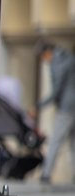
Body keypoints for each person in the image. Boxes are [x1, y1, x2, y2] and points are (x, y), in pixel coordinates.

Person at [37, 42, 75, 184]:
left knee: (55, 140)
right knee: (73, 143)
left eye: (43, 57)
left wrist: (39, 105)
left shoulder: (58, 62)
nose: (44, 61)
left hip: (67, 107)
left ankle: (46, 174)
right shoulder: (69, 58)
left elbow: (57, 89)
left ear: (47, 52)